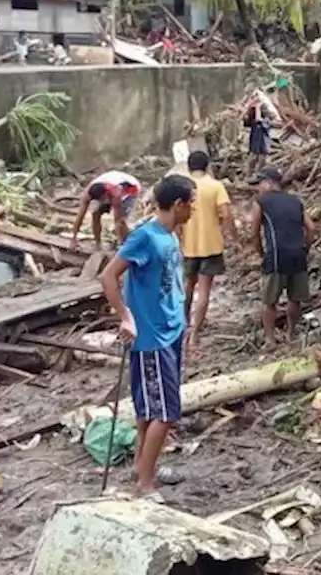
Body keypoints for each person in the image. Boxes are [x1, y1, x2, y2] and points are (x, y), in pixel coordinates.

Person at [100, 174, 194, 500]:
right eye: (191, 202)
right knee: (165, 413)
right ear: (179, 204)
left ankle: (145, 468)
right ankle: (145, 485)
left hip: (170, 331)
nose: (193, 209)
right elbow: (109, 276)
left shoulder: (169, 236)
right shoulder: (145, 238)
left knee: (147, 409)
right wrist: (126, 318)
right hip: (151, 337)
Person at [250, 168, 315, 347]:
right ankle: (291, 334)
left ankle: (270, 339)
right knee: (295, 299)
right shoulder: (295, 201)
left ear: (270, 183)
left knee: (269, 301)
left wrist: (261, 254)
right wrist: (305, 249)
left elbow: (254, 231)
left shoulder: (261, 201)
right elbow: (311, 229)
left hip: (277, 256)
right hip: (298, 256)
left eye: (260, 183)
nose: (259, 188)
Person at [180, 150, 234, 355]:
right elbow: (226, 214)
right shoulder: (216, 186)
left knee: (187, 288)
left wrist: (179, 238)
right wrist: (232, 236)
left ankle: (182, 328)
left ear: (189, 166)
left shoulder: (184, 187)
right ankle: (194, 337)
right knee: (204, 292)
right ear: (207, 166)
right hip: (211, 246)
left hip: (188, 246)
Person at [70, 170, 142, 251]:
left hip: (131, 188)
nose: (103, 201)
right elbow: (80, 216)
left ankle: (125, 246)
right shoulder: (87, 194)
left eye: (104, 199)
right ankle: (98, 244)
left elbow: (118, 220)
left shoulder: (116, 194)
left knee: (121, 221)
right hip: (112, 184)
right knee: (95, 214)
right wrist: (74, 238)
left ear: (106, 195)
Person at [243, 96, 273, 178]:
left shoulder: (267, 120)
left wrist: (257, 108)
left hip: (263, 148)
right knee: (250, 164)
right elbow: (246, 121)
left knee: (261, 167)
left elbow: (259, 120)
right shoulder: (253, 120)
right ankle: (247, 179)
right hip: (254, 148)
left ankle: (260, 180)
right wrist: (250, 106)